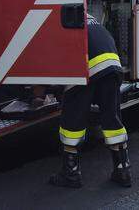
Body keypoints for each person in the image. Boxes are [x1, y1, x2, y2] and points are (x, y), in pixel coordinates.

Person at [49, 14, 131, 189]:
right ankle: (123, 170)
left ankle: (71, 173)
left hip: (86, 68)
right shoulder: (84, 15)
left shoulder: (53, 18)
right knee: (112, 118)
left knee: (72, 122)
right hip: (113, 66)